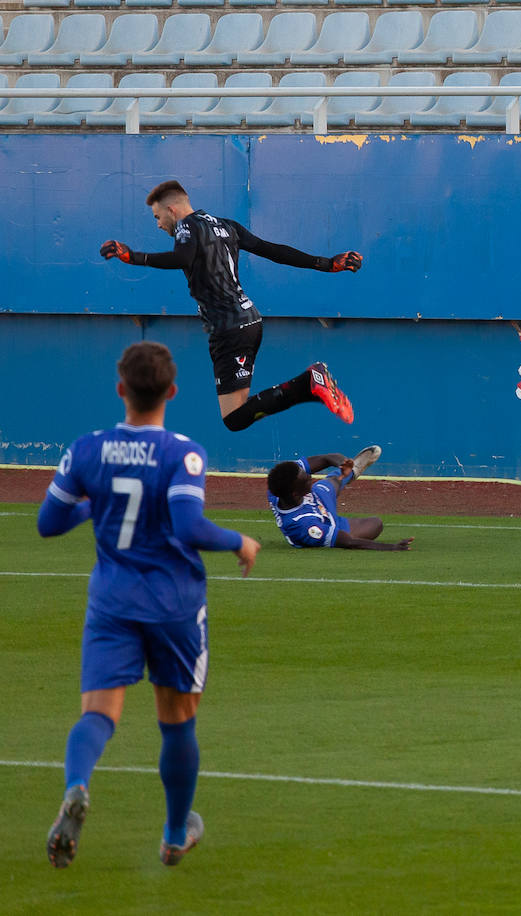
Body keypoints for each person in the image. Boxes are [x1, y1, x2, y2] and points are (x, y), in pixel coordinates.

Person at [37, 341, 261, 867]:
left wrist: (92, 505)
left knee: (98, 714)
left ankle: (76, 786)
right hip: (174, 604)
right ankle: (175, 833)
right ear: (173, 391)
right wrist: (238, 541)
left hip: (113, 601)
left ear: (121, 389)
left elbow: (48, 523)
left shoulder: (87, 449)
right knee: (177, 722)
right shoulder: (183, 452)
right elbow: (188, 525)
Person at [100, 180, 362, 432]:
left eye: (157, 217)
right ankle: (310, 384)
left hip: (229, 327)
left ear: (172, 209)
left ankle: (310, 381)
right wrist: (327, 264)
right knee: (237, 415)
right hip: (249, 320)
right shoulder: (227, 226)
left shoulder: (185, 226)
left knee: (234, 419)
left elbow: (183, 257)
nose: (158, 224)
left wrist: (133, 257)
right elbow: (273, 250)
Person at [267, 446, 413, 551]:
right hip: (326, 521)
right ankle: (346, 474)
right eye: (307, 480)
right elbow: (349, 542)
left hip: (315, 498)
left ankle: (350, 471)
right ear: (295, 493)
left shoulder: (281, 481)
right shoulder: (304, 525)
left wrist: (344, 463)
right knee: (376, 523)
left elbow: (328, 458)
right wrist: (392, 547)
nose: (310, 477)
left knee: (330, 482)